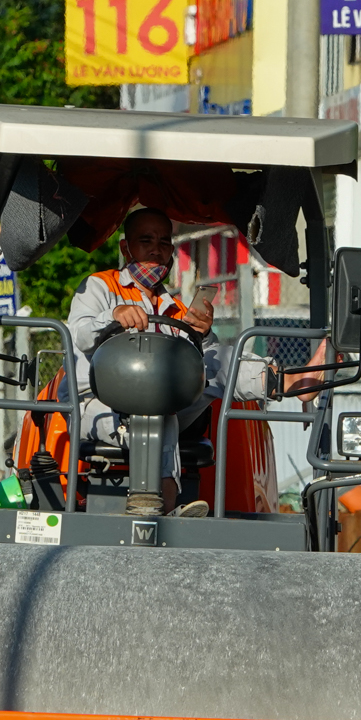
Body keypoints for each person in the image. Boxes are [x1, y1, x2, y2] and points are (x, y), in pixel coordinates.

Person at [66, 207, 245, 514]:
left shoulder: (174, 308)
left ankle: (285, 378)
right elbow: (80, 334)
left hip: (161, 399)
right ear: (126, 247)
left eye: (163, 242)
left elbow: (203, 364)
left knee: (218, 360)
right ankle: (162, 506)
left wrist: (202, 334)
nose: (155, 249)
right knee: (161, 412)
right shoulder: (100, 286)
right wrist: (113, 316)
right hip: (99, 405)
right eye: (145, 240)